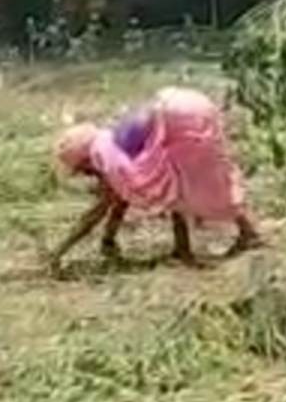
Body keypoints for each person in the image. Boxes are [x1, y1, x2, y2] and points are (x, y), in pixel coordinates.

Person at [49, 86, 262, 271]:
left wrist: (59, 252)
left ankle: (201, 247)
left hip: (179, 118)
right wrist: (108, 241)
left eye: (83, 169)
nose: (87, 175)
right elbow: (119, 201)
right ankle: (194, 246)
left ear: (86, 158)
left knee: (190, 185)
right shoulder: (112, 142)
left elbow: (96, 213)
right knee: (184, 183)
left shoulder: (106, 158)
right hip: (181, 104)